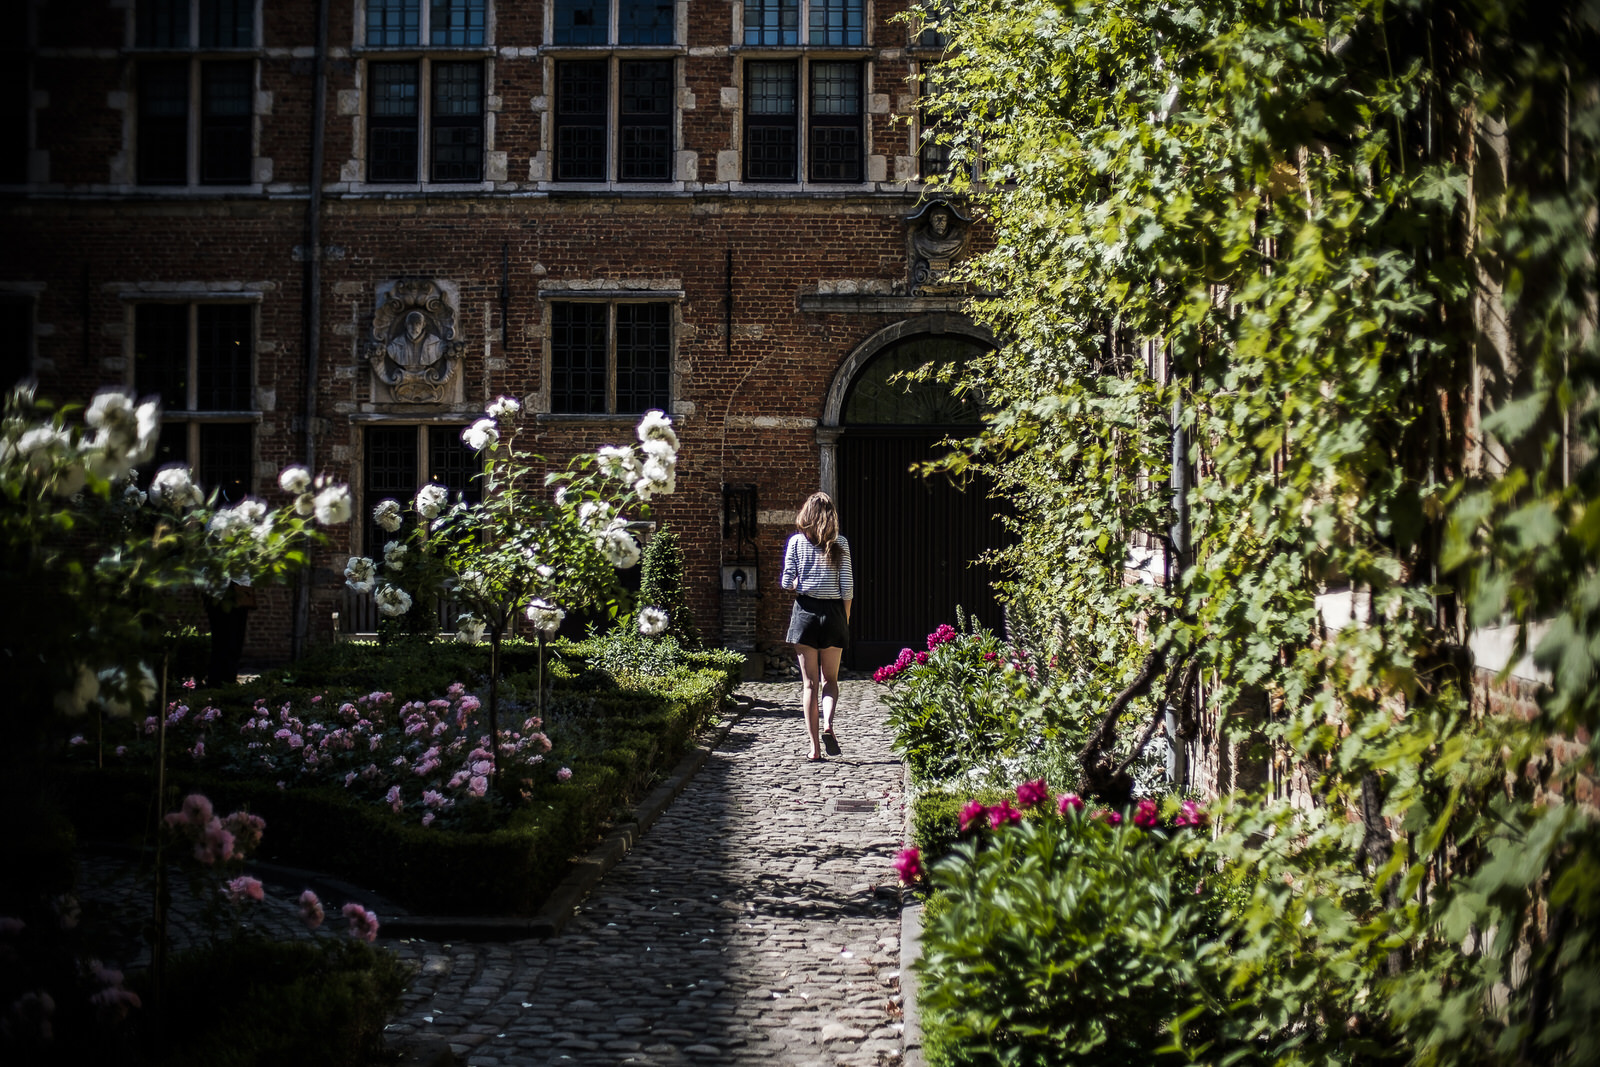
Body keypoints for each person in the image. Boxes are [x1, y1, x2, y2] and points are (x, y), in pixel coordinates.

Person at [780, 491, 854, 761]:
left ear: (806, 515)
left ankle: (814, 749)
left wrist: (804, 584)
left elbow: (787, 582)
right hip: (834, 613)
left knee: (809, 684)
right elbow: (847, 588)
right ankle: (828, 724)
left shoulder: (797, 542)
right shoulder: (841, 544)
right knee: (830, 681)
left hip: (806, 613)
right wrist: (844, 619)